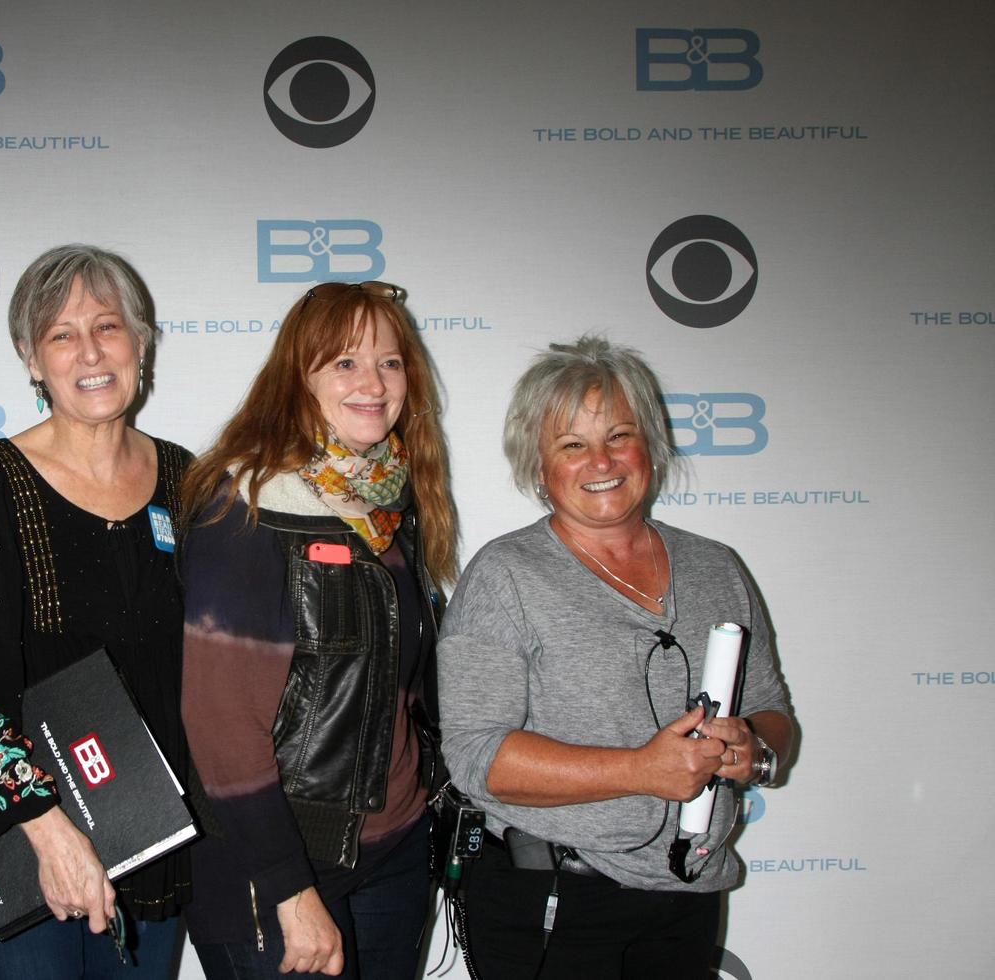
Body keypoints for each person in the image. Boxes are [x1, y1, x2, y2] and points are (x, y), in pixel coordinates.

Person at [436, 335, 794, 978]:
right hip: (553, 902)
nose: (600, 460)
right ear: (538, 465)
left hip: (690, 892)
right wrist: (641, 770)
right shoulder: (506, 575)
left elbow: (772, 711)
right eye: (571, 444)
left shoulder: (718, 567)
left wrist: (756, 750)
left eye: (619, 435)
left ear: (649, 446)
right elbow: (474, 757)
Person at [0, 244, 192, 978]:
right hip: (26, 860)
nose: (90, 352)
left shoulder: (187, 480)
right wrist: (51, 834)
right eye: (63, 335)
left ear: (142, 343)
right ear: (32, 360)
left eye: (109, 327)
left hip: (151, 860)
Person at [180, 280, 458, 979]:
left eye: (390, 361)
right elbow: (220, 723)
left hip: (394, 854)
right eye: (345, 362)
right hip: (282, 871)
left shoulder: (392, 505)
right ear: (296, 379)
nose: (373, 382)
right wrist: (289, 887)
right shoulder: (248, 504)